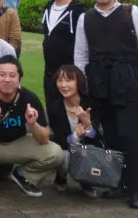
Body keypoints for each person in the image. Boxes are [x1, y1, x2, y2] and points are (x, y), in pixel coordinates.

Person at [74, 0, 138, 210]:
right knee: (110, 135)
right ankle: (118, 183)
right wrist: (83, 84)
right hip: (99, 81)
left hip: (127, 78)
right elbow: (81, 54)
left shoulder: (131, 12)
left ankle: (136, 188)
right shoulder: (85, 18)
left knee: (129, 135)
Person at [0, 56, 63, 199]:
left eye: (12, 75)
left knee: (55, 153)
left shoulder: (30, 98)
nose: (7, 80)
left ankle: (23, 175)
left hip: (18, 143)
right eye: (2, 75)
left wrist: (33, 124)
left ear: (19, 79)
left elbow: (44, 139)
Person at [47, 64, 102, 196]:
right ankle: (61, 178)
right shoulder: (55, 106)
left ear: (79, 82)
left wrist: (87, 124)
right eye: (60, 80)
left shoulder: (90, 103)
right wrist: (76, 136)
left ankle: (86, 181)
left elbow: (97, 139)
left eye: (68, 80)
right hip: (67, 149)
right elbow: (59, 140)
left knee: (89, 152)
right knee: (64, 156)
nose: (63, 85)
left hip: (88, 150)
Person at [41, 0, 87, 106]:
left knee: (72, 110)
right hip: (50, 72)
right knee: (53, 110)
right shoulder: (48, 7)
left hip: (70, 73)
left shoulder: (79, 10)